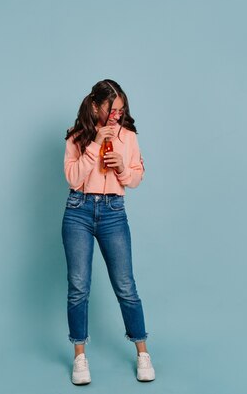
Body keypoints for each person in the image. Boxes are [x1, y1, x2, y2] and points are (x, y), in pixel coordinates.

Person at [61, 79, 155, 385]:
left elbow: (136, 178)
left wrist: (121, 170)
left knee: (126, 285)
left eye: (121, 109)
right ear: (95, 106)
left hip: (113, 212)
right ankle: (79, 357)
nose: (117, 114)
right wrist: (94, 145)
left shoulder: (128, 137)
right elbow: (74, 180)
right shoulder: (77, 137)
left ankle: (142, 352)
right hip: (78, 211)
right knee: (79, 286)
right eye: (112, 108)